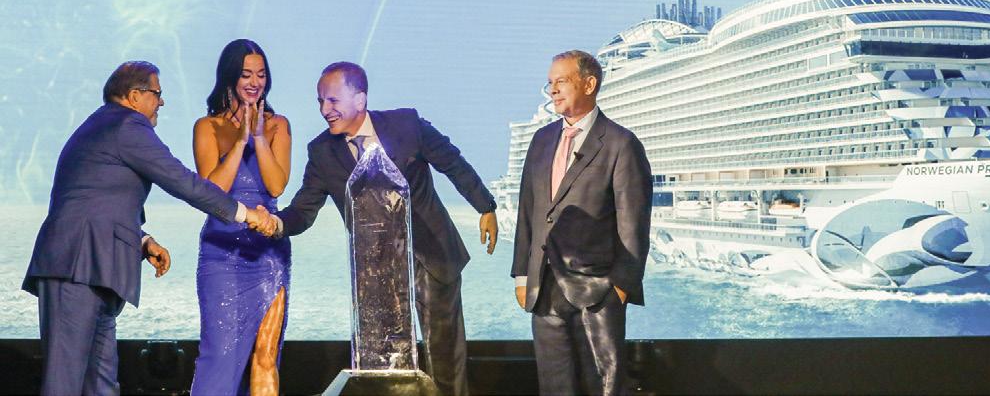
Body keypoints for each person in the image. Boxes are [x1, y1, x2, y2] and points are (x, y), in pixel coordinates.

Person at [22, 61, 276, 396]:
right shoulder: (127, 125)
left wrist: (142, 241)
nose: (162, 101)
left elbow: (96, 199)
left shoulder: (105, 126)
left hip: (92, 268)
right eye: (157, 93)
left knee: (101, 385)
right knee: (64, 384)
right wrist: (245, 214)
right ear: (134, 96)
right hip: (76, 268)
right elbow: (181, 180)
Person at [272, 61, 498, 396]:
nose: (324, 110)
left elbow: (452, 163)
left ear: (359, 99)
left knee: (445, 359)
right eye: (320, 101)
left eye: (332, 100)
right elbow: (303, 210)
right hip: (375, 274)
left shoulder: (406, 124)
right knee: (385, 366)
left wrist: (485, 207)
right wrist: (276, 223)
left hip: (430, 255)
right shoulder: (321, 152)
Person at [511, 50, 653, 396]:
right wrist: (522, 274)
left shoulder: (621, 143)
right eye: (550, 83)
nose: (553, 90)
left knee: (602, 387)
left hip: (598, 290)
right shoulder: (541, 139)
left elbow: (634, 223)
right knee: (554, 387)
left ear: (589, 85)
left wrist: (620, 287)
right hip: (543, 288)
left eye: (561, 81)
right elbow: (528, 210)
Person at [190, 40, 292, 396]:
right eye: (246, 74)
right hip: (222, 252)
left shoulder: (279, 125)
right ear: (230, 77)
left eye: (261, 75)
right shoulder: (207, 126)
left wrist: (259, 139)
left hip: (267, 253)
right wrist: (240, 142)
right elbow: (212, 191)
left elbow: (276, 185)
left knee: (266, 353)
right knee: (220, 354)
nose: (255, 82)